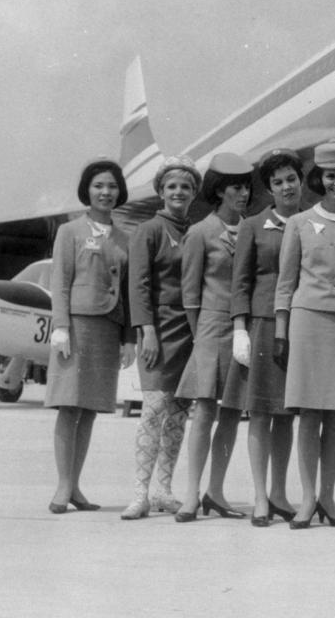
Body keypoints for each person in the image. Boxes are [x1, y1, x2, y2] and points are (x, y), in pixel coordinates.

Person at [275, 140, 335, 529]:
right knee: (310, 414)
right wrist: (280, 331)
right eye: (330, 176)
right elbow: (285, 282)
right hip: (308, 321)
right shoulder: (300, 222)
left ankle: (328, 495)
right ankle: (308, 498)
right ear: (319, 178)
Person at [46, 157, 133, 514]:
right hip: (77, 328)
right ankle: (63, 486)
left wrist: (129, 338)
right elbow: (60, 281)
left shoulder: (126, 237)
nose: (106, 192)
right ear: (88, 190)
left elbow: (127, 292)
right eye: (99, 185)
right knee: (68, 407)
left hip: (108, 329)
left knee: (92, 410)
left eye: (112, 186)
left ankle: (76, 486)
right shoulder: (70, 231)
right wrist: (61, 325)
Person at [174, 153, 253, 522]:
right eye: (237, 187)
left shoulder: (252, 228)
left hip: (244, 330)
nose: (244, 193)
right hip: (209, 326)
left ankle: (216, 492)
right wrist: (200, 334)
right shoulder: (201, 232)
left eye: (246, 187)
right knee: (205, 409)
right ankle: (190, 493)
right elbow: (189, 293)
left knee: (234, 411)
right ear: (220, 191)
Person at [124, 155, 201, 519]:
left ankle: (163, 489)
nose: (179, 192)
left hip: (189, 332)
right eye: (172, 186)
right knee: (153, 411)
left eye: (185, 187)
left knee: (179, 413)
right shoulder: (149, 230)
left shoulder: (195, 231)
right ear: (161, 191)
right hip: (159, 330)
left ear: (194, 193)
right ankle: (139, 492)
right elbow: (137, 285)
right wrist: (147, 331)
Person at [230, 149, 302, 526]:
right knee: (260, 412)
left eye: (291, 179)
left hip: (299, 325)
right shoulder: (254, 225)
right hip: (261, 324)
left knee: (287, 415)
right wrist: (239, 328)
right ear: (269, 189)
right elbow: (240, 281)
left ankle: (278, 492)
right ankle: (259, 496)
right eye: (278, 182)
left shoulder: (310, 221)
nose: (286, 186)